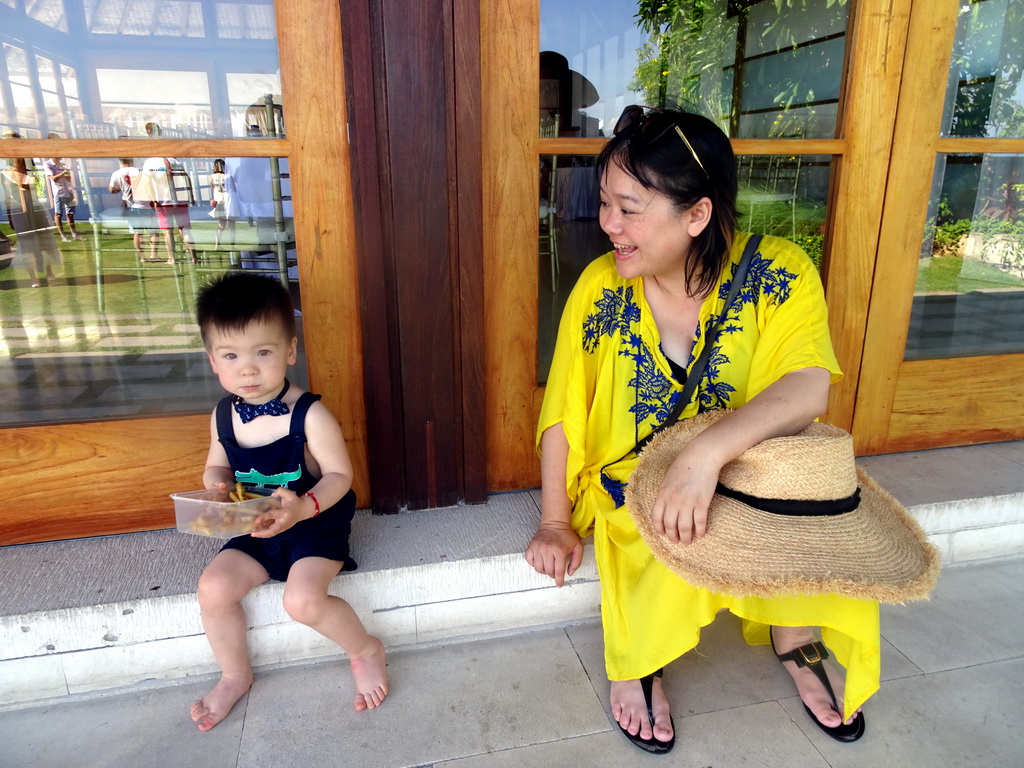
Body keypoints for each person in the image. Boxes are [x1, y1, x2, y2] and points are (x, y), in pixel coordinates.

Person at [524, 106, 876, 754]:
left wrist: (706, 455)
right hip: (636, 481)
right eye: (604, 203)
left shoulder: (779, 272)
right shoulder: (601, 289)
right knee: (653, 521)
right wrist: (552, 519)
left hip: (745, 469)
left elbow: (809, 383)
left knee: (807, 503)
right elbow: (564, 413)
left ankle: (792, 632)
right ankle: (641, 656)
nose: (607, 224)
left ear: (697, 215)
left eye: (629, 208)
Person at [191, 272, 388, 731]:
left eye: (263, 352)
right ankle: (234, 673)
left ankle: (364, 649)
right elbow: (216, 466)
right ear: (213, 361)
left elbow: (340, 474)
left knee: (301, 601)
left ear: (290, 351)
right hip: (257, 526)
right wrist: (217, 487)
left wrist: (305, 508)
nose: (248, 369)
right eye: (231, 356)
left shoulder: (310, 413)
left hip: (313, 526)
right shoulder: (223, 415)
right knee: (212, 588)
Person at [134, 122, 198, 264]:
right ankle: (194, 257)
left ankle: (172, 258)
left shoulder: (150, 162)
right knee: (185, 229)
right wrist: (190, 196)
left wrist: (153, 199)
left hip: (163, 200)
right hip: (180, 199)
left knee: (167, 231)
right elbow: (185, 178)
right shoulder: (174, 160)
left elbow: (148, 182)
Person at [108, 157, 158, 262]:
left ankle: (142, 257)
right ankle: (153, 254)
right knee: (153, 232)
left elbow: (112, 190)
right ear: (131, 161)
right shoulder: (139, 171)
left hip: (130, 205)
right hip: (144, 204)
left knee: (137, 233)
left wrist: (122, 189)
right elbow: (149, 185)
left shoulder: (116, 174)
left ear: (120, 162)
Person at [44, 154, 83, 242]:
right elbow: (53, 178)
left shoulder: (62, 163)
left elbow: (68, 179)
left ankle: (74, 234)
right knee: (58, 214)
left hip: (68, 192)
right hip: (58, 193)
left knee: (71, 214)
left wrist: (67, 172)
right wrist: (63, 172)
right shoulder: (48, 164)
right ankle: (63, 236)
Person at [208, 158, 235, 250]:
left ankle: (217, 244)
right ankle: (232, 245)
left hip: (219, 201)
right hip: (228, 200)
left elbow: (213, 188)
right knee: (232, 225)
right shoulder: (228, 176)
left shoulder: (211, 177)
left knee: (221, 225)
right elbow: (233, 189)